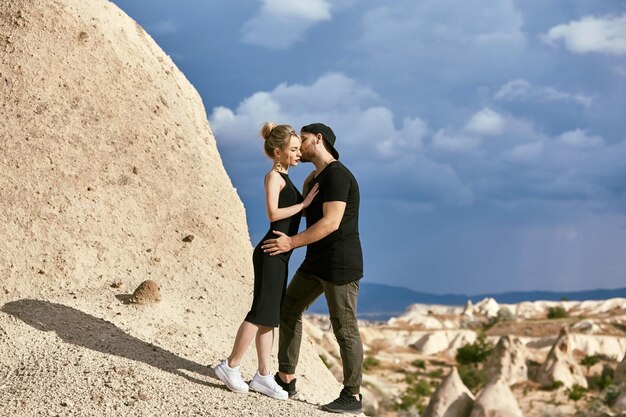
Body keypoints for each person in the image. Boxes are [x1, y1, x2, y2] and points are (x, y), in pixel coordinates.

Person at [262, 123, 364, 414]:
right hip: (316, 262)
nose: (298, 144)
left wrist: (290, 243)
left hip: (340, 265)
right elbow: (303, 210)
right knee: (288, 309)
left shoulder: (338, 176)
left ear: (318, 140)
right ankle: (286, 378)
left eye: (302, 140)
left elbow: (331, 222)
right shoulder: (315, 178)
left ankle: (353, 396)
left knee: (344, 329)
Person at [213, 122, 319, 400]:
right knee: (260, 311)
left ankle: (262, 375)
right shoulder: (274, 177)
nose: (299, 153)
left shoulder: (287, 177)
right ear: (278, 152)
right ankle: (230, 365)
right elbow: (273, 214)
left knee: (270, 316)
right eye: (294, 149)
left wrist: (308, 205)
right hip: (270, 252)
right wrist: (305, 204)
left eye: (299, 148)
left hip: (281, 254)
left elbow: (292, 215)